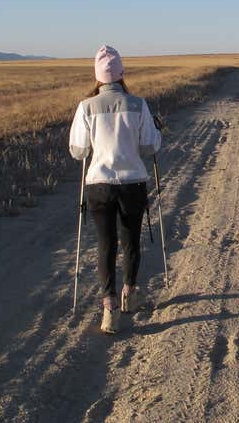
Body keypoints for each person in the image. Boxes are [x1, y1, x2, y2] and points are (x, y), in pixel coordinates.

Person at [69, 45, 162, 335]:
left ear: (97, 77)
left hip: (99, 185)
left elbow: (78, 151)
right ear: (121, 74)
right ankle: (130, 295)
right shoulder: (138, 105)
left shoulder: (86, 107)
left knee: (105, 244)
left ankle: (109, 309)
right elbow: (149, 146)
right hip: (133, 183)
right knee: (131, 240)